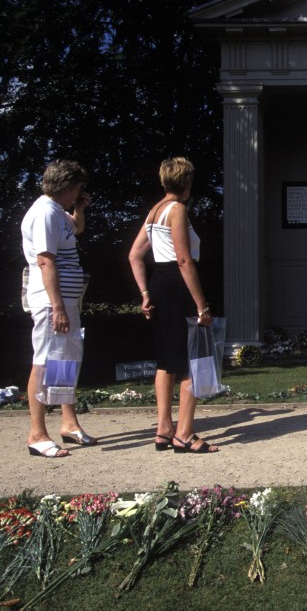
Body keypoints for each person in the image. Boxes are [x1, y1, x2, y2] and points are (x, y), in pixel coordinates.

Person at [128, 157, 218, 453]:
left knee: (166, 361)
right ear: (187, 183)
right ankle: (185, 433)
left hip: (159, 284)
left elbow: (134, 255)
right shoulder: (177, 209)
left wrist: (144, 292)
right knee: (195, 359)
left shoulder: (155, 211)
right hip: (178, 286)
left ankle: (164, 429)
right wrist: (201, 304)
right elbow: (183, 259)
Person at [21, 159, 98, 458]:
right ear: (66, 186)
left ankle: (68, 423)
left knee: (65, 360)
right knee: (43, 362)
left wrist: (80, 208)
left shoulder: (56, 211)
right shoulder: (42, 213)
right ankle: (37, 434)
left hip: (66, 300)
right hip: (50, 301)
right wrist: (57, 307)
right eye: (77, 188)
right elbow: (45, 261)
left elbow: (75, 229)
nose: (79, 192)